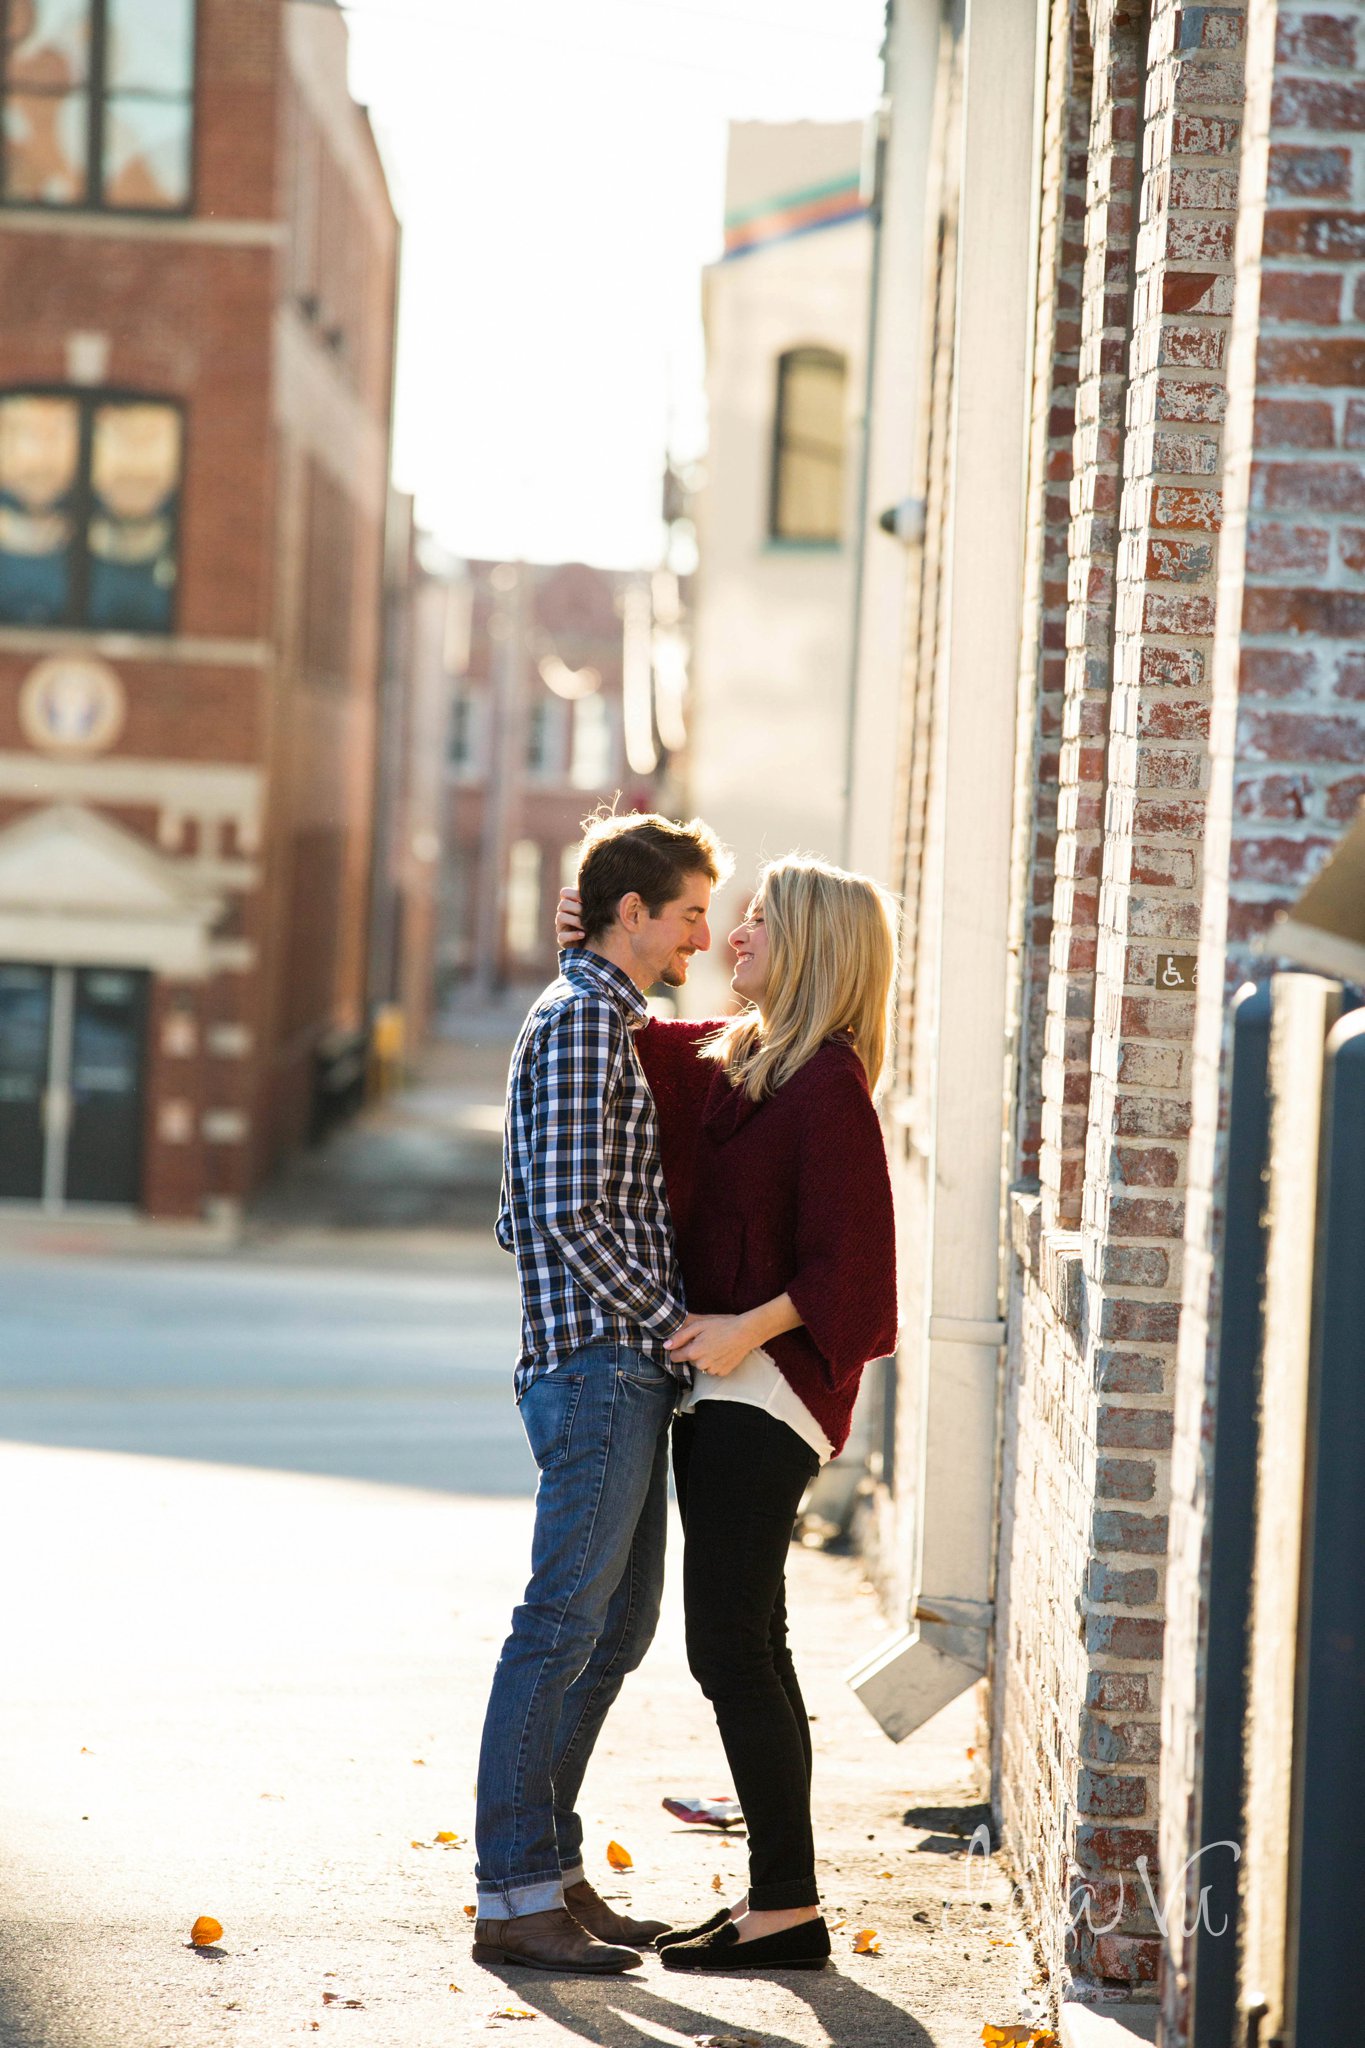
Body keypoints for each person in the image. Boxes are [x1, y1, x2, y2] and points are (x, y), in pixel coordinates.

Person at [555, 854, 898, 1973]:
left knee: (728, 1645)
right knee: (754, 1641)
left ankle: (786, 1907)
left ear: (806, 944)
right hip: (724, 1386)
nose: (731, 938)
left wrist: (747, 1327)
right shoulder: (739, 1063)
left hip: (770, 1391)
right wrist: (596, 938)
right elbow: (624, 1033)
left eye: (754, 923)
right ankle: (781, 1903)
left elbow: (859, 1278)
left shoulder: (828, 1084)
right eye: (730, 920)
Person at [473, 809, 728, 1976]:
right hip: (601, 1367)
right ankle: (512, 1894)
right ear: (635, 912)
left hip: (623, 1371)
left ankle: (554, 1872)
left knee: (614, 1629)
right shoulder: (582, 1025)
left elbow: (523, 1208)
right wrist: (673, 1319)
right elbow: (563, 1216)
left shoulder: (614, 1020)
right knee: (560, 1627)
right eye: (686, 914)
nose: (703, 933)